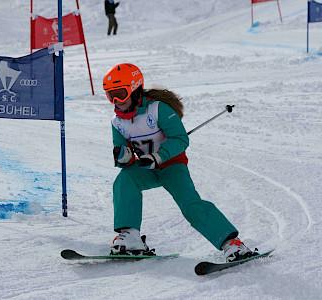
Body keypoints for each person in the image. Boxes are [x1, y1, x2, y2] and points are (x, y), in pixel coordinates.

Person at [103, 63, 258, 262]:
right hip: (145, 169)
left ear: (135, 89)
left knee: (190, 204)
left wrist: (159, 157)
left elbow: (180, 139)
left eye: (120, 94)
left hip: (171, 166)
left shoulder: (158, 109)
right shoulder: (117, 123)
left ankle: (232, 244)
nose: (116, 101)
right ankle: (130, 237)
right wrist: (123, 158)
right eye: (110, 95)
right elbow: (125, 157)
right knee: (124, 181)